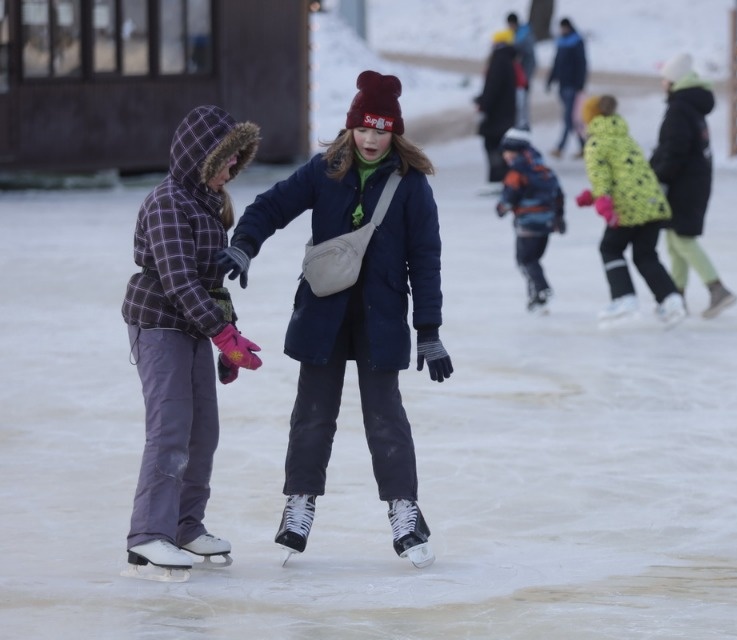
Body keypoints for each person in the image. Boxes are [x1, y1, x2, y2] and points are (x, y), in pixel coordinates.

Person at [218, 70, 453, 569]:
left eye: (381, 130)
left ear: (395, 132)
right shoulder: (326, 170)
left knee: (385, 418)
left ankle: (404, 510)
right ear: (351, 127)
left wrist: (428, 331)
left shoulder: (410, 186)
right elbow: (272, 205)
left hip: (382, 317)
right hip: (324, 314)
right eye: (363, 128)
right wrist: (243, 245)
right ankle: (299, 503)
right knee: (313, 415)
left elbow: (426, 257)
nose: (371, 139)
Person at [121, 105, 262, 578]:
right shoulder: (167, 203)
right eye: (226, 160)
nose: (232, 169)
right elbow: (180, 281)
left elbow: (212, 283)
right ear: (202, 156)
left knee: (204, 431)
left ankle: (184, 525)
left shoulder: (207, 204)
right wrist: (222, 335)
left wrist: (231, 336)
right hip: (159, 324)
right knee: (170, 430)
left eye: (236, 161)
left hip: (194, 327)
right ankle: (148, 536)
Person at [575, 94, 686, 327]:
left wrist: (603, 201)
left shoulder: (596, 142)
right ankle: (670, 299)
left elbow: (601, 175)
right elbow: (626, 174)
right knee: (645, 254)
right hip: (652, 203)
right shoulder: (624, 137)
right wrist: (594, 195)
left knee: (610, 248)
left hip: (628, 207)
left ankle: (624, 297)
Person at [651, 53, 737, 319]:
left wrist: (661, 178)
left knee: (681, 238)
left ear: (674, 82)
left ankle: (717, 289)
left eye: (665, 79)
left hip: (684, 184)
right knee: (674, 240)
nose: (662, 84)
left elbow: (674, 150)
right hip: (692, 181)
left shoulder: (679, 109)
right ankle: (676, 298)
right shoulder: (688, 107)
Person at [495, 127, 566, 314]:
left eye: (507, 152)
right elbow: (558, 194)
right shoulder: (544, 169)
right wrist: (559, 217)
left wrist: (501, 208)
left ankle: (542, 290)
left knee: (525, 260)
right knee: (534, 261)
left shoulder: (517, 173)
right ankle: (536, 299)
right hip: (547, 224)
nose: (505, 156)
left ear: (515, 153)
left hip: (528, 225)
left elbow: (509, 196)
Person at [475, 29, 518, 187]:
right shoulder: (509, 59)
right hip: (506, 113)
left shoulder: (498, 60)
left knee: (492, 144)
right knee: (501, 145)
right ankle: (504, 178)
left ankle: (498, 178)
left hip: (496, 114)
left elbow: (492, 86)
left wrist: (484, 105)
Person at [546, 17, 587, 159]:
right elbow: (556, 62)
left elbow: (582, 64)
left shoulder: (576, 42)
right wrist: (550, 80)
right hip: (562, 85)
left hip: (572, 85)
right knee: (573, 118)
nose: (562, 30)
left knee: (569, 118)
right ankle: (584, 146)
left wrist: (580, 84)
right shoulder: (561, 42)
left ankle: (560, 147)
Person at [507, 11, 537, 130]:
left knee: (522, 104)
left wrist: (526, 78)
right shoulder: (517, 35)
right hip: (519, 77)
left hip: (523, 77)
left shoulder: (524, 37)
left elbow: (531, 59)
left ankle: (524, 126)